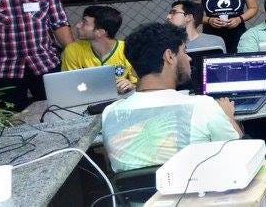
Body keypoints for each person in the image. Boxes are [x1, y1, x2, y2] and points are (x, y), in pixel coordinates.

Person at [101, 23, 245, 173]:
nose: (189, 58)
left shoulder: (110, 113)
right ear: (169, 56)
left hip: (134, 189)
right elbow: (237, 152)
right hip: (197, 186)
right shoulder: (203, 106)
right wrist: (228, 117)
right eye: (184, 51)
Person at [60, 6, 137, 93]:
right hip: (86, 99)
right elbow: (69, 85)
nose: (78, 25)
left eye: (84, 22)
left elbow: (140, 83)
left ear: (100, 32)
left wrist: (131, 85)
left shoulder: (128, 49)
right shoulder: (73, 50)